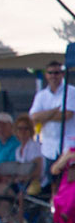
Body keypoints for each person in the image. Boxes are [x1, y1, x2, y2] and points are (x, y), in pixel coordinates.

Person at [30, 61, 75, 189]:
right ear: (46, 75)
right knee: (52, 183)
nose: (53, 76)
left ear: (62, 74)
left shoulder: (71, 92)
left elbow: (66, 115)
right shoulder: (41, 95)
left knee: (68, 182)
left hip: (68, 146)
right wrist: (54, 111)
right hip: (49, 147)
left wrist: (44, 116)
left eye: (57, 73)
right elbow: (33, 117)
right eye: (50, 73)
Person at [49, 145, 75, 223]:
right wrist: (68, 157)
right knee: (63, 197)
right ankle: (66, 215)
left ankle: (66, 213)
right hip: (67, 182)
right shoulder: (69, 151)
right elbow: (54, 170)